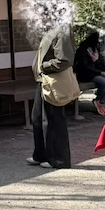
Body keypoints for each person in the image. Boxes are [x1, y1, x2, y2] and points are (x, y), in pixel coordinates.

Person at [29, 23, 74, 169]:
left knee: (55, 119)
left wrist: (43, 66)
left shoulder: (61, 32)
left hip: (53, 80)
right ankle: (41, 154)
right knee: (37, 118)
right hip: (44, 79)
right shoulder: (51, 30)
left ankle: (59, 159)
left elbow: (64, 59)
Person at [73, 32, 105, 117]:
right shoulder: (83, 50)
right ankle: (98, 99)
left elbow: (99, 63)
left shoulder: (96, 49)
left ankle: (101, 101)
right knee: (104, 82)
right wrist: (100, 73)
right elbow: (85, 67)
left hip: (95, 72)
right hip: (85, 74)